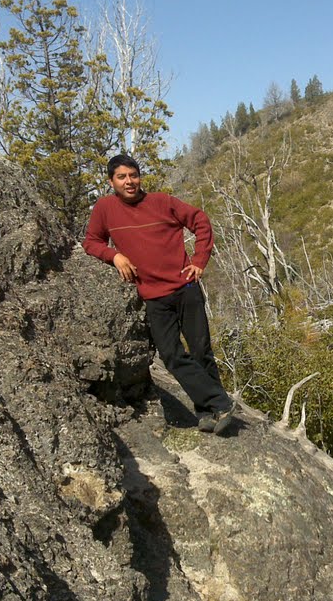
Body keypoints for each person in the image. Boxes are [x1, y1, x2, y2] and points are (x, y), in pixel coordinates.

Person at [83, 154, 236, 434]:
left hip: (186, 287)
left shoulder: (163, 202)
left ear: (139, 177)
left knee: (201, 351)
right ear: (111, 181)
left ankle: (209, 412)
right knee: (171, 355)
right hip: (152, 295)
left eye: (133, 175)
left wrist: (200, 260)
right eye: (122, 177)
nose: (129, 181)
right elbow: (91, 241)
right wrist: (114, 256)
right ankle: (220, 403)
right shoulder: (105, 208)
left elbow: (201, 221)